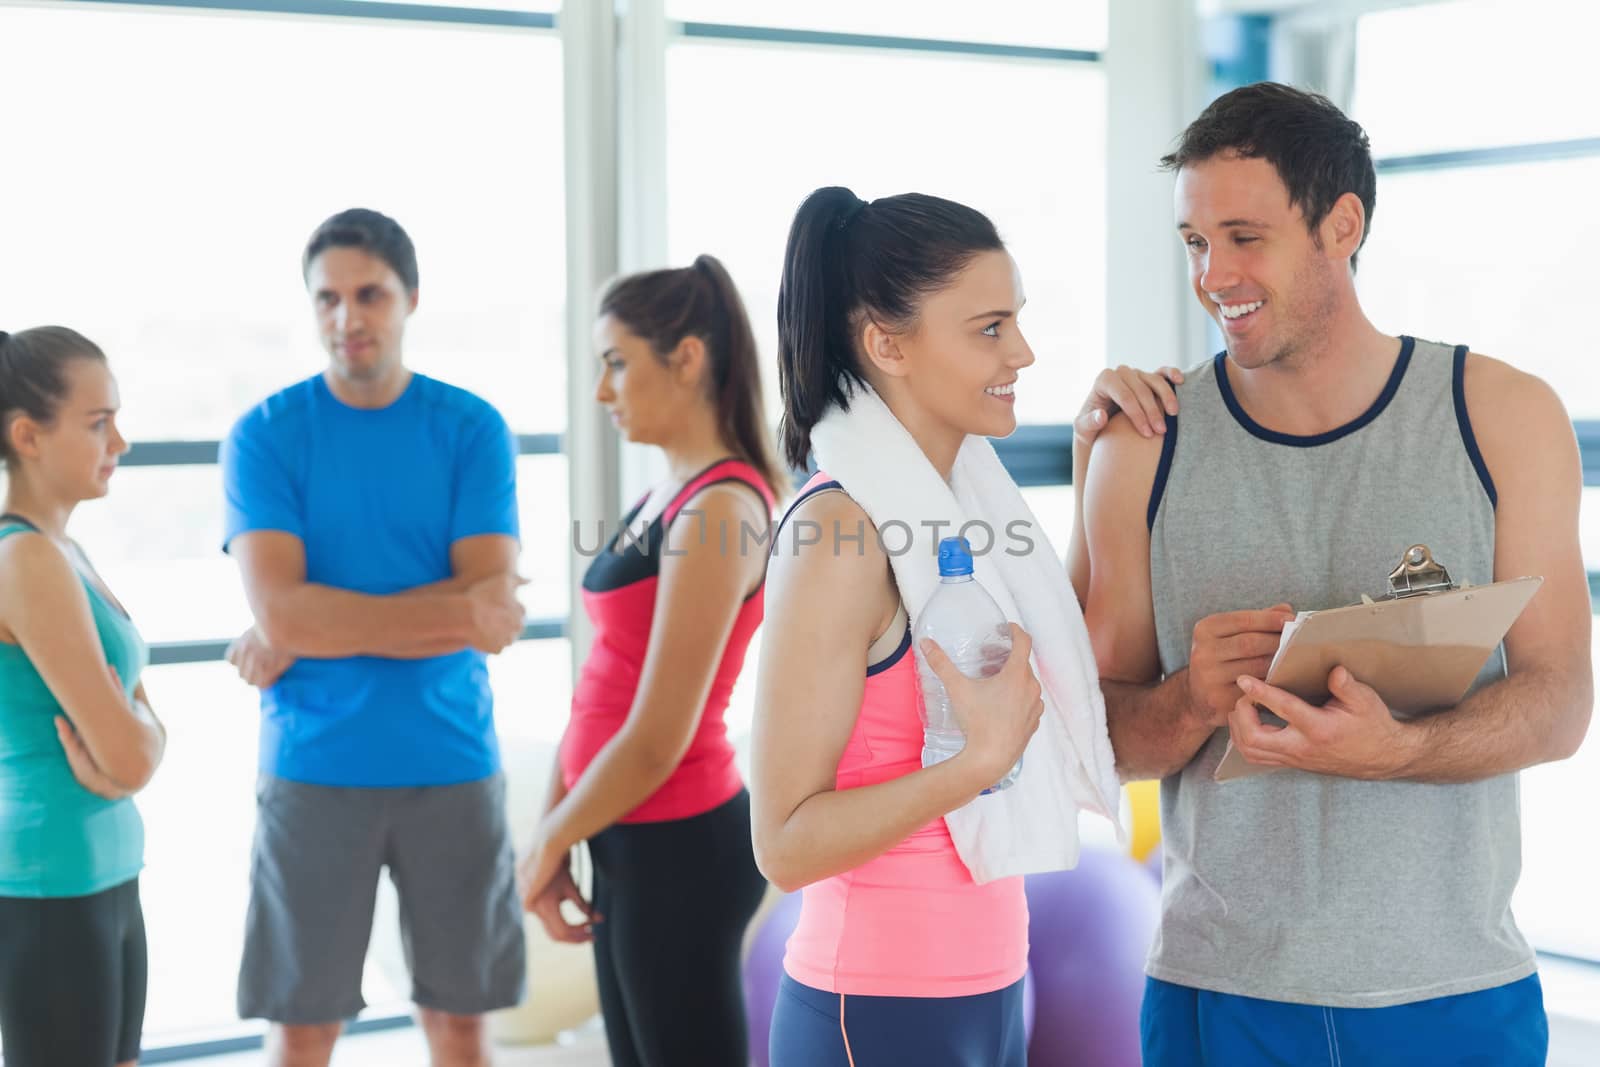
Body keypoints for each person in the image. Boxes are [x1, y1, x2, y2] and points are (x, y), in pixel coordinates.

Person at [1073, 82, 1592, 1066]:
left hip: (1452, 994)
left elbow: (1560, 701)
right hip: (1215, 994)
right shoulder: (1143, 444)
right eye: (1193, 242)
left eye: (1243, 236)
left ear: (1340, 224)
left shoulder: (1502, 417)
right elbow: (1096, 739)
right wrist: (1186, 699)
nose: (1211, 273)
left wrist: (1396, 748)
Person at [751, 187, 1055, 1066]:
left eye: (1018, 322)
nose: (1023, 352)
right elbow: (784, 842)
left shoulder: (957, 509)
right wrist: (976, 766)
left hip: (991, 985)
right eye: (989, 327)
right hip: (875, 1007)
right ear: (888, 344)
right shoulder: (839, 532)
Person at [221, 209, 528, 1067]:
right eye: (327, 298)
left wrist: (309, 620)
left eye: (368, 295)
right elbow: (288, 614)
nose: (346, 318)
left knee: (460, 1026)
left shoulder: (471, 428)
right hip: (315, 767)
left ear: (410, 298)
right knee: (303, 1029)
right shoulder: (266, 435)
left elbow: (493, 603)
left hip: (453, 761)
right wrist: (450, 608)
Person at [517, 255, 785, 1067]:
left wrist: (549, 844)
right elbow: (604, 682)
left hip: (679, 847)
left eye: (616, 362)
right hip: (628, 836)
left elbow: (659, 733)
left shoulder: (723, 509)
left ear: (689, 358)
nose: (603, 391)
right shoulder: (668, 492)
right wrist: (557, 831)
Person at [0, 326, 167, 1067]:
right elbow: (129, 753)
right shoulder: (27, 557)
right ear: (28, 436)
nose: (119, 441)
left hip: (107, 873)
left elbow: (138, 734)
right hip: (51, 883)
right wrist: (139, 742)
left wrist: (141, 741)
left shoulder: (65, 551)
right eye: (98, 423)